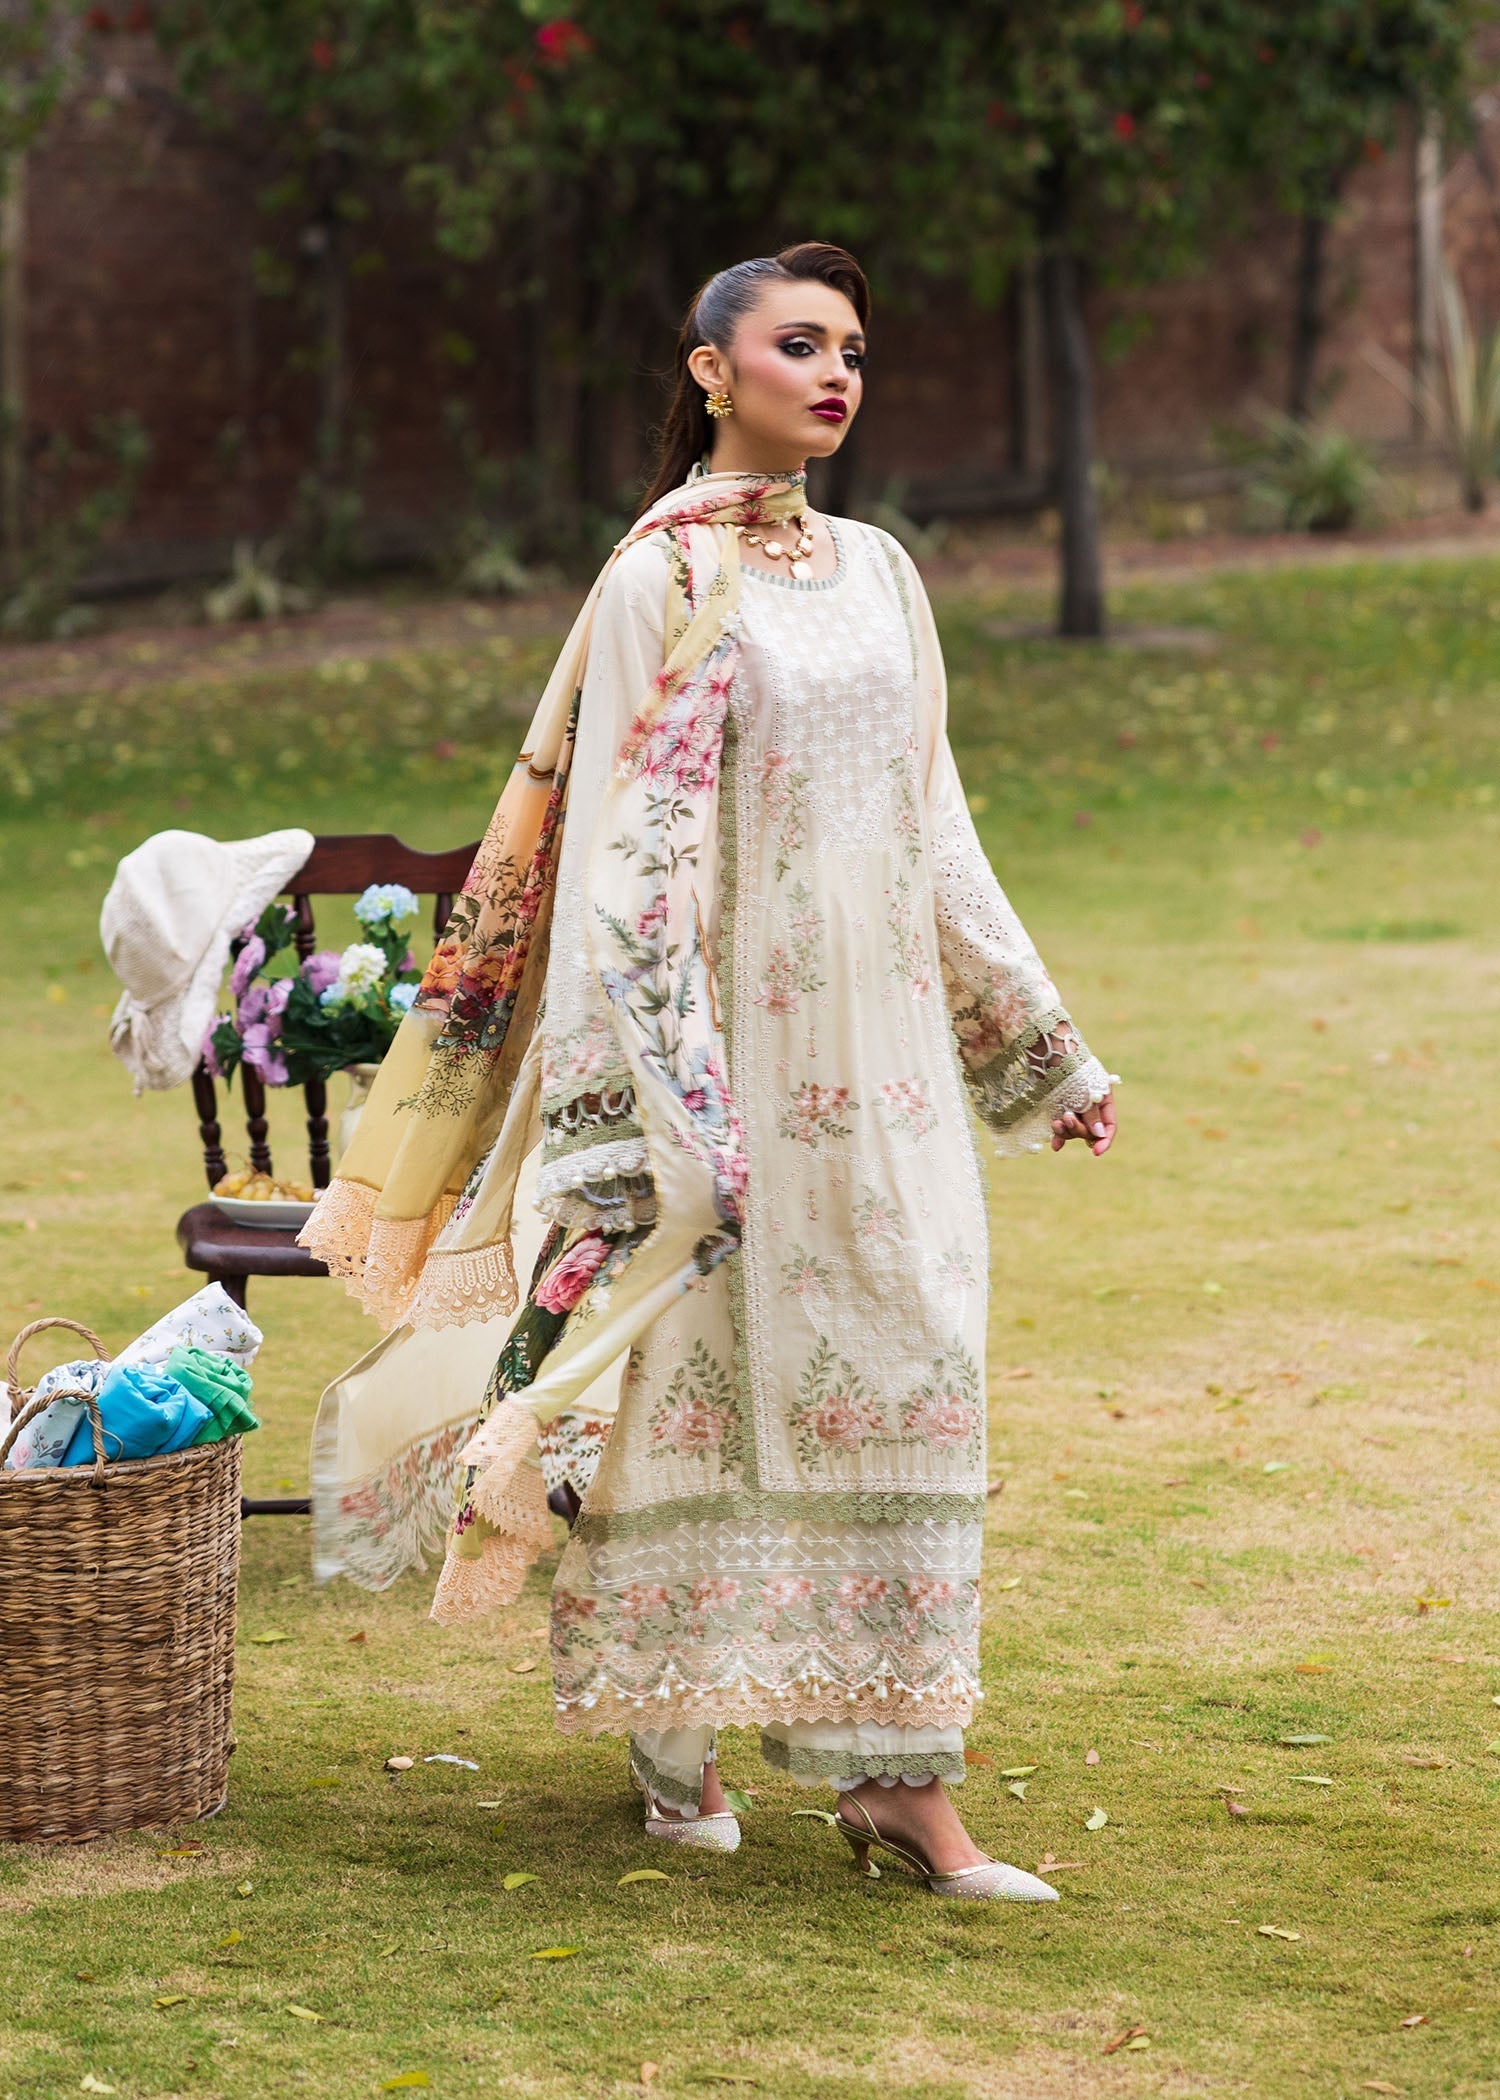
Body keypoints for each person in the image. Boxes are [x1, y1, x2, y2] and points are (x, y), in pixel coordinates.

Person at [300, 241, 1117, 1902]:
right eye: (801, 345)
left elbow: (935, 823)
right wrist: (662, 1104)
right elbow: (625, 851)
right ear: (711, 370)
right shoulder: (658, 582)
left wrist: (1042, 1043)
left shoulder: (883, 573)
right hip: (713, 1070)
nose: (837, 375)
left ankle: (903, 1785)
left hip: (881, 1075)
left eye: (854, 352)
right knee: (683, 1390)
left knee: (912, 1363)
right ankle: (677, 1739)